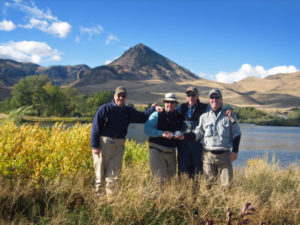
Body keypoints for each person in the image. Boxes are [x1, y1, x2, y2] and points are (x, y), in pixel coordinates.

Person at [91, 86, 157, 198]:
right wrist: (95, 146)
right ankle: (99, 202)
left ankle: (110, 202)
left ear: (126, 97)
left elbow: (143, 117)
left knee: (113, 177)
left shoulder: (128, 111)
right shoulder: (104, 109)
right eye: (119, 95)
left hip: (119, 145)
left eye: (123, 96)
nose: (121, 98)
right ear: (114, 96)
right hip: (103, 145)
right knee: (100, 176)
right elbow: (95, 129)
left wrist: (153, 109)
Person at [180, 89, 241, 187]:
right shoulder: (204, 117)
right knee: (208, 186)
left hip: (225, 157)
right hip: (208, 156)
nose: (215, 100)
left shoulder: (229, 115)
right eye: (212, 97)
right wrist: (184, 136)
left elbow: (237, 133)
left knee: (227, 186)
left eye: (217, 97)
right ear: (209, 100)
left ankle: (225, 202)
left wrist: (235, 151)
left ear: (221, 99)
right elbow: (198, 133)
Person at [144, 93, 182, 181]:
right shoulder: (156, 114)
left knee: (171, 179)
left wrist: (179, 135)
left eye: (172, 102)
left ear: (176, 104)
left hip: (171, 151)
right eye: (167, 102)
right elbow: (147, 129)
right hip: (156, 150)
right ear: (164, 102)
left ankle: (168, 195)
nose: (169, 104)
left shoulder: (178, 116)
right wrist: (161, 133)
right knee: (159, 179)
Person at [176, 86, 208, 178]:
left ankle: (196, 191)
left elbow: (217, 108)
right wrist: (156, 109)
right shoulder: (181, 107)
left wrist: (228, 109)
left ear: (197, 96)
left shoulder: (205, 107)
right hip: (183, 145)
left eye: (193, 95)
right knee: (183, 170)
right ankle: (183, 190)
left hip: (197, 145)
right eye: (188, 95)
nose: (191, 97)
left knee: (198, 170)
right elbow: (169, 111)